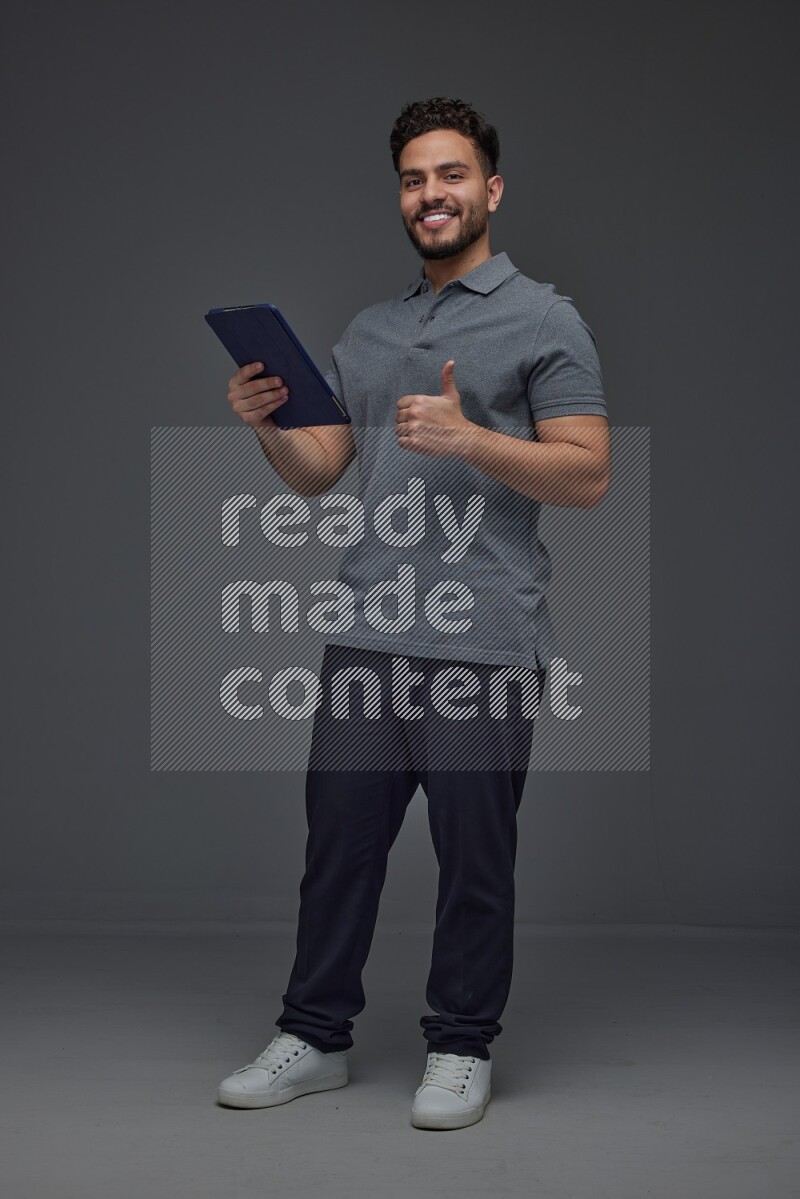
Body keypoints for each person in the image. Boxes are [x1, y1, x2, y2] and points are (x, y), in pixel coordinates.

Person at [216, 96, 611, 1130]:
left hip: (481, 640)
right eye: (410, 179)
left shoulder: (545, 320)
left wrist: (471, 438)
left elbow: (587, 475)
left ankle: (461, 1044)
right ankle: (313, 1033)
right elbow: (320, 471)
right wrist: (267, 424)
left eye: (448, 175)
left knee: (475, 858)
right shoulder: (372, 328)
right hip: (367, 630)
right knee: (336, 847)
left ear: (489, 187)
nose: (429, 195)